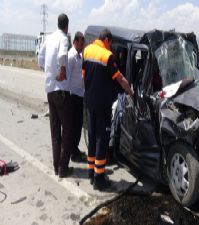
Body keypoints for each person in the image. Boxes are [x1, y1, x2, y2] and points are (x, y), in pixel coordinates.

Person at [83, 28, 134, 191]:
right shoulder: (107, 56)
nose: (110, 47)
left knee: (92, 138)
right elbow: (120, 78)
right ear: (107, 40)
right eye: (110, 44)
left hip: (90, 102)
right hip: (103, 104)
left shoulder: (87, 50)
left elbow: (84, 74)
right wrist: (131, 92)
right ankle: (99, 178)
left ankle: (91, 172)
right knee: (102, 140)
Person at [38, 13, 73, 178]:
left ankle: (56, 166)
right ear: (67, 26)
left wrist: (48, 73)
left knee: (54, 130)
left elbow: (40, 58)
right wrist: (61, 71)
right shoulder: (64, 38)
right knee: (67, 129)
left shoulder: (49, 37)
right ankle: (63, 168)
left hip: (49, 90)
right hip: (60, 90)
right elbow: (62, 55)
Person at [68, 31, 86, 163]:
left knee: (78, 125)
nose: (82, 46)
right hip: (72, 96)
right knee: (73, 126)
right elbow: (67, 78)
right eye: (81, 43)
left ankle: (75, 149)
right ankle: (72, 153)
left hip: (80, 95)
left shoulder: (79, 56)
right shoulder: (71, 56)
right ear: (75, 42)